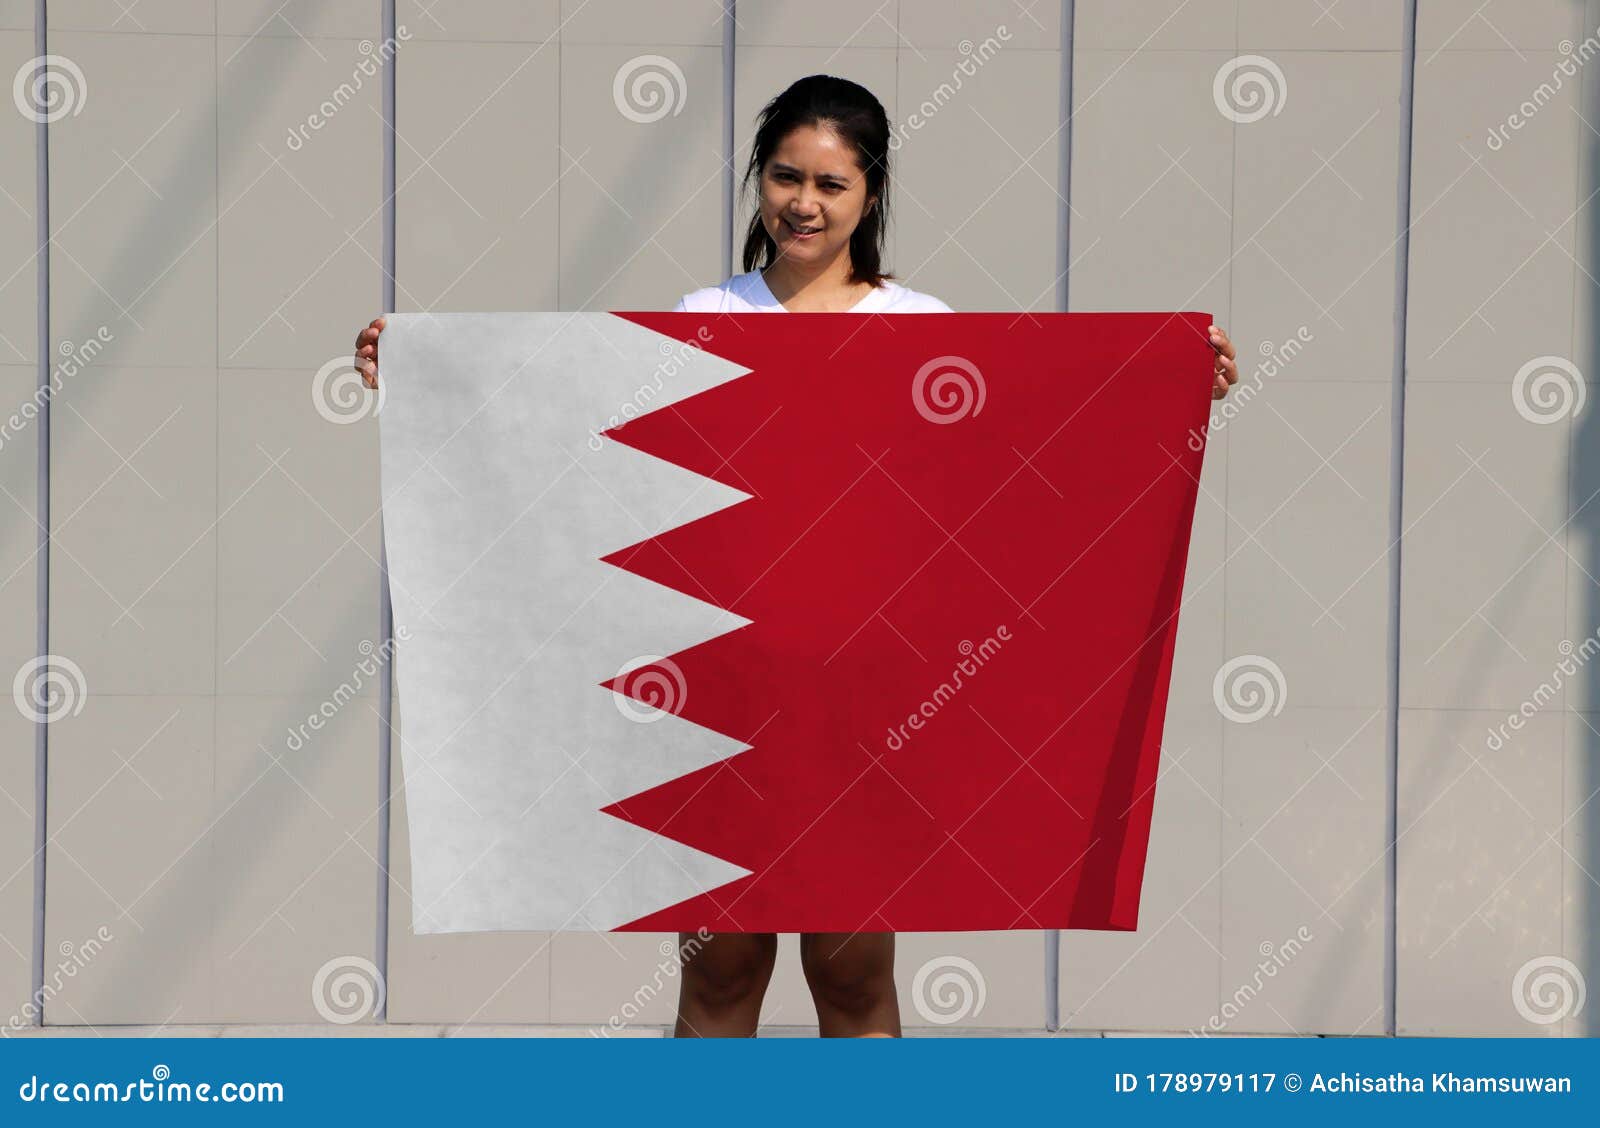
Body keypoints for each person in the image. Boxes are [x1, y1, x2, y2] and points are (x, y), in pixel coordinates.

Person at [353, 74, 1239, 1038]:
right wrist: (421, 368)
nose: (804, 204)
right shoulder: (703, 316)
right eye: (784, 177)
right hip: (721, 689)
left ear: (871, 195)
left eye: (831, 183)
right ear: (757, 180)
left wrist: (1176, 382)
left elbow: (1026, 460)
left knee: (854, 977)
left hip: (872, 702)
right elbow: (576, 440)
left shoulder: (923, 331)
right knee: (722, 975)